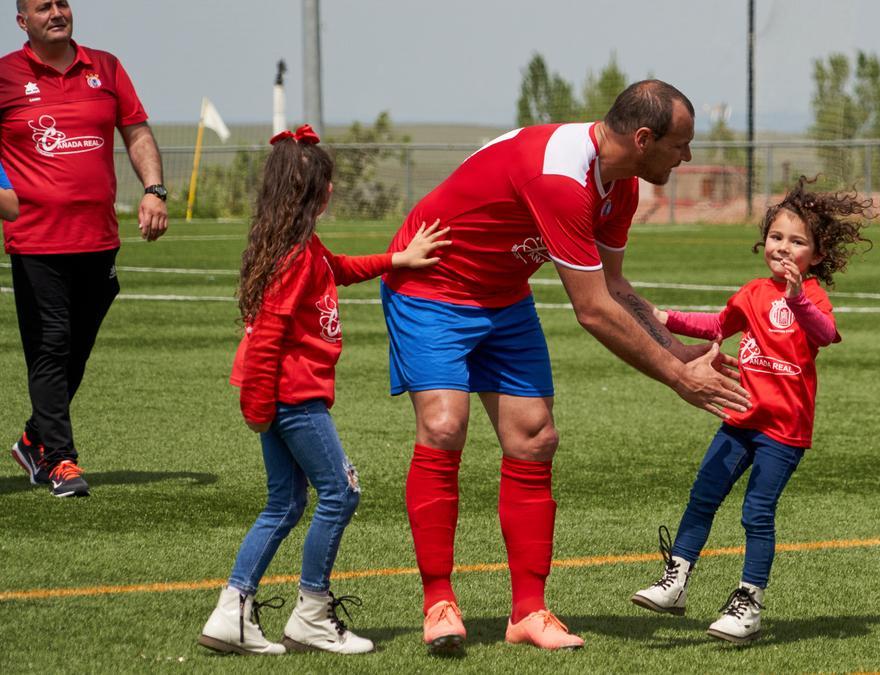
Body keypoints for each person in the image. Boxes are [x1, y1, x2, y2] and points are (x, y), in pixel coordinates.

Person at [381, 79, 750, 655]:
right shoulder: (559, 177)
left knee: (535, 437)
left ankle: (528, 612)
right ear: (644, 138)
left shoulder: (620, 185)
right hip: (431, 289)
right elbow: (593, 310)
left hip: (502, 297)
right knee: (444, 426)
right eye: (682, 145)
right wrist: (678, 378)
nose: (689, 157)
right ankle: (439, 602)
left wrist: (678, 350)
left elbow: (615, 287)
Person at [198, 125, 450, 656]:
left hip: (284, 396)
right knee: (342, 491)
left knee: (286, 503)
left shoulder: (300, 245)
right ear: (319, 192)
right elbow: (266, 338)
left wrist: (394, 261)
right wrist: (259, 408)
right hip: (291, 398)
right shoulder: (292, 255)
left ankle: (231, 611)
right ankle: (311, 612)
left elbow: (336, 268)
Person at [630, 178, 871, 644]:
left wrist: (798, 299)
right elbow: (718, 325)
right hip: (741, 417)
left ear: (816, 256)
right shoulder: (754, 292)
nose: (784, 248)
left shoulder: (812, 297)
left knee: (756, 513)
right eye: (777, 237)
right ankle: (675, 581)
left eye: (798, 242)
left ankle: (749, 604)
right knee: (703, 495)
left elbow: (823, 333)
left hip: (783, 431)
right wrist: (665, 317)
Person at [2, 0, 169, 497]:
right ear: (22, 21)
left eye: (62, 3)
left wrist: (153, 189)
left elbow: (136, 130)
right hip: (35, 239)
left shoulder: (107, 66)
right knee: (51, 344)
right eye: (43, 7)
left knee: (75, 347)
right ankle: (60, 459)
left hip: (97, 238)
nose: (56, 12)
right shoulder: (6, 76)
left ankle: (35, 437)